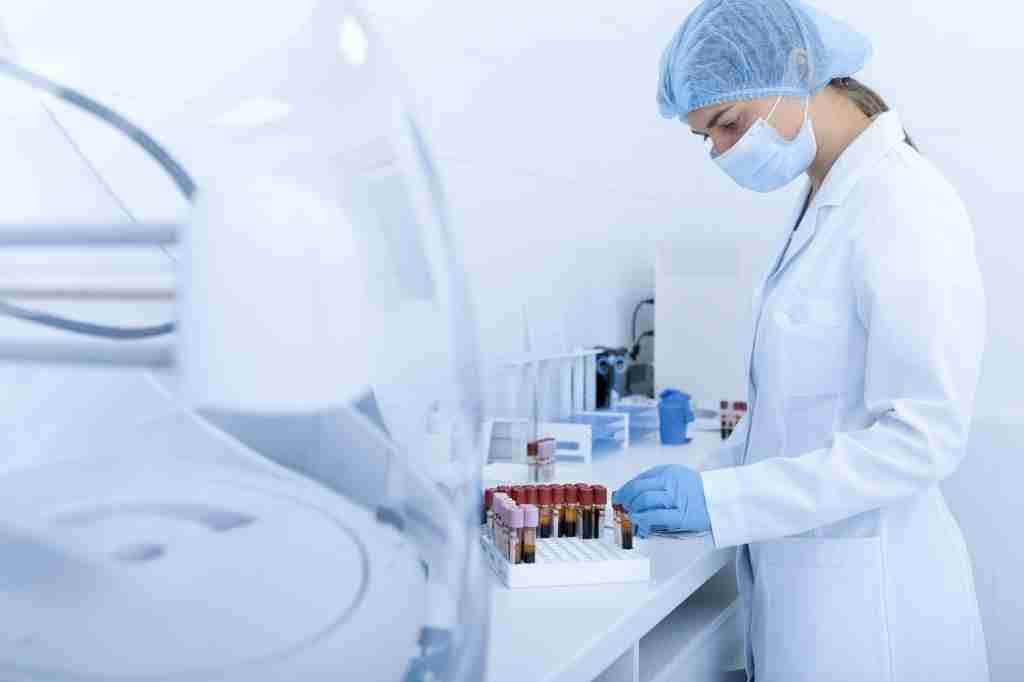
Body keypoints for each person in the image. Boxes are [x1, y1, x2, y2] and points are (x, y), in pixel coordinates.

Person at [612, 1, 989, 680]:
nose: (721, 152)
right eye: (705, 138)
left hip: (875, 624)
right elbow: (796, 415)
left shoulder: (903, 203)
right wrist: (709, 479)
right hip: (807, 605)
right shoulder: (823, 198)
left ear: (799, 69)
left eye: (726, 124)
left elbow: (922, 438)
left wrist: (722, 503)